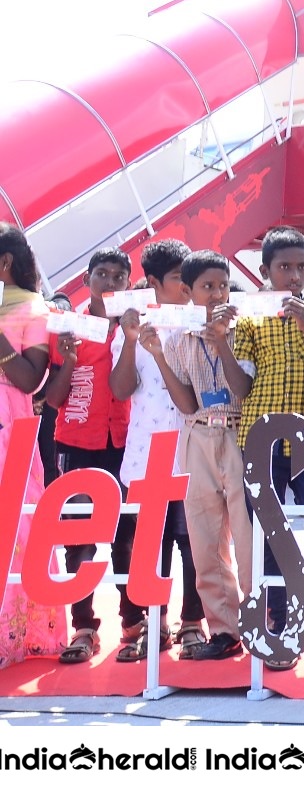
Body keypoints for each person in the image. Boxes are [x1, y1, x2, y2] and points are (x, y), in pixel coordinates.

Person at [232, 226, 304, 670]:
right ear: (265, 271)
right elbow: (241, 388)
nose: (295, 276)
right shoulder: (248, 318)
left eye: (302, 267)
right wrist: (221, 343)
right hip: (259, 440)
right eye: (285, 267)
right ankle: (280, 623)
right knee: (268, 538)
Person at [148, 249, 253, 661]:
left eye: (223, 285)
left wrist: (222, 341)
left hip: (237, 435)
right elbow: (186, 404)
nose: (217, 294)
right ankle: (225, 631)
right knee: (205, 539)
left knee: (246, 538)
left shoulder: (243, 330)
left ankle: (261, 622)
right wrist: (157, 355)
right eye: (207, 287)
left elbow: (241, 390)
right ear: (188, 291)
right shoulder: (177, 341)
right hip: (196, 437)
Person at [108, 240, 205, 658]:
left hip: (194, 451)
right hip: (147, 455)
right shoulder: (131, 327)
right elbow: (120, 389)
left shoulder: (197, 322)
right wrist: (131, 342)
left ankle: (193, 622)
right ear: (152, 282)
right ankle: (156, 622)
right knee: (151, 543)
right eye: (178, 279)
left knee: (195, 542)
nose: (185, 287)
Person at [45, 247, 138, 664]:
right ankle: (83, 627)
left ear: (128, 284)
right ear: (86, 280)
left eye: (119, 276)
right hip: (76, 444)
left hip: (125, 444)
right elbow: (52, 398)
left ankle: (134, 623)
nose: (110, 282)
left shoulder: (134, 326)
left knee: (128, 538)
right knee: (78, 540)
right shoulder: (68, 328)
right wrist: (67, 360)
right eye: (102, 273)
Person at [0, 224, 66, 668]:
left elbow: (29, 379)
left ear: (4, 263)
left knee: (15, 526)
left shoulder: (33, 310)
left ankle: (15, 633)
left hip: (10, 429)